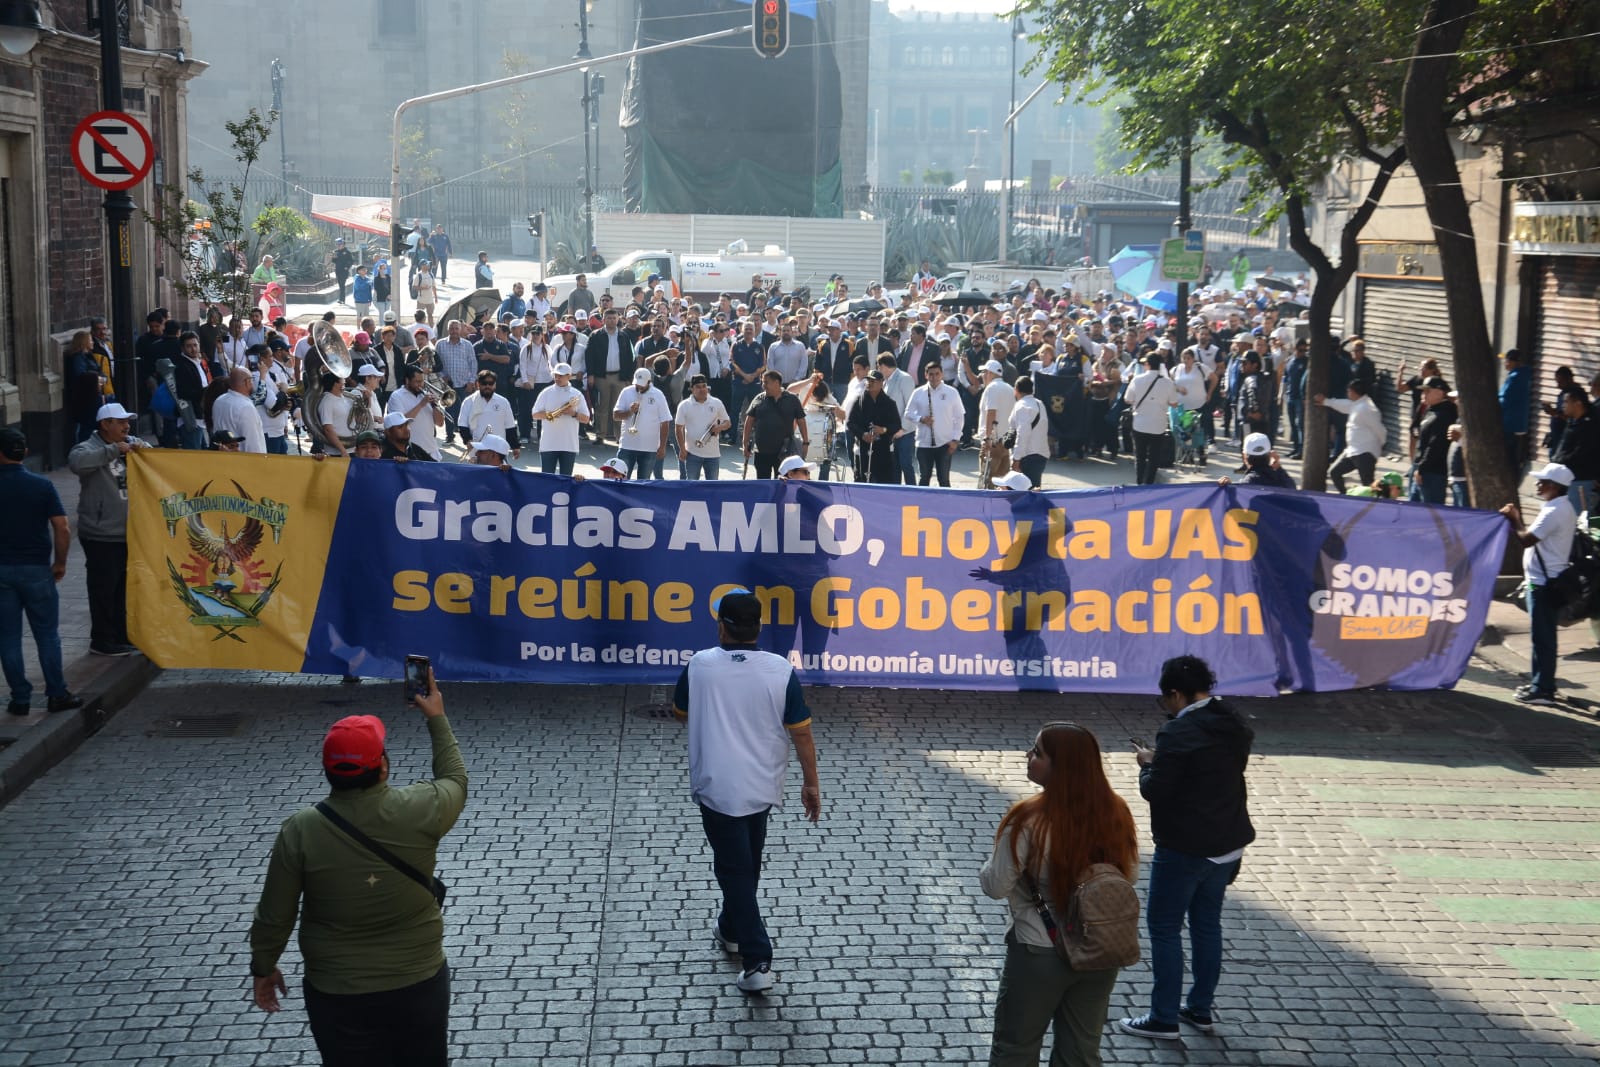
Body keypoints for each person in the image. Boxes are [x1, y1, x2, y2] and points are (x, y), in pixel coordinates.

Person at [248, 669, 467, 1066]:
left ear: (328, 769)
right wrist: (435, 716)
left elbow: (274, 914)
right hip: (417, 983)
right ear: (382, 766)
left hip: (337, 992)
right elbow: (454, 777)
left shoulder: (301, 830)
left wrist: (263, 966)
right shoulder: (421, 808)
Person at [671, 588, 820, 995]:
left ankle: (758, 959)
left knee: (734, 867)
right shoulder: (780, 670)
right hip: (762, 786)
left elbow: (680, 710)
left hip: (717, 786)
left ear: (721, 626)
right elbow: (802, 732)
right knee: (747, 861)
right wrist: (811, 783)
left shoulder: (700, 665)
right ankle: (731, 927)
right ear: (758, 628)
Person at [982, 722, 1138, 1066]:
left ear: (1061, 766)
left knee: (1016, 1046)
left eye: (1037, 752)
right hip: (1100, 948)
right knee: (1080, 1050)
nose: (1029, 756)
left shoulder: (1028, 819)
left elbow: (995, 886)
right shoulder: (1117, 812)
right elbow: (1128, 876)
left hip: (1040, 948)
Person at [1119, 655, 1254, 1041]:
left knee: (1163, 928)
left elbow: (1156, 791)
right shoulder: (1232, 721)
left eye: (1165, 700)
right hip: (1228, 843)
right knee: (1206, 925)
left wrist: (1147, 764)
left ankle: (1163, 1017)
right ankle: (1199, 1008)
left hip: (1186, 847)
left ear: (1175, 694)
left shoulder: (1178, 734)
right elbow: (1209, 773)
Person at [0, 428, 83, 717]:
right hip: (36, 569)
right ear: (23, 452)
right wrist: (60, 563)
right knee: (47, 635)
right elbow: (62, 527)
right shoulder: (41, 486)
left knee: (8, 638)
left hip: (2, 571)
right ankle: (56, 693)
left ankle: (20, 698)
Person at [67, 403, 149, 657]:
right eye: (120, 421)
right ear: (105, 425)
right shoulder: (88, 448)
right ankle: (102, 639)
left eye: (128, 421)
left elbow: (155, 456)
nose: (127, 426)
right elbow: (77, 463)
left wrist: (140, 450)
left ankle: (121, 635)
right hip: (101, 533)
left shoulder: (131, 443)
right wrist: (113, 451)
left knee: (123, 588)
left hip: (129, 531)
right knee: (103, 587)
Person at [1500, 463, 1579, 707]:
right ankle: (1540, 684)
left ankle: (1543, 690)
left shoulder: (1554, 511)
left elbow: (1526, 539)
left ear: (1554, 487)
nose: (1537, 485)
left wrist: (1515, 519)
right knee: (1542, 638)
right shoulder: (1559, 506)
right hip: (1546, 582)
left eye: (1542, 482)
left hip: (1544, 585)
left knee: (1542, 639)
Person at [1318, 379, 1384, 495]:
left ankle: (1375, 505)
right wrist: (1326, 401)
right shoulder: (1357, 404)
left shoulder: (1368, 408)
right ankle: (1346, 495)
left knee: (1368, 484)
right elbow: (1344, 405)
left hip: (1365, 452)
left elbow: (1380, 430)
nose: (1347, 393)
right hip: (1352, 451)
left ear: (1354, 392)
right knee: (1335, 472)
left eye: (1349, 391)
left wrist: (1378, 447)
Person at [904, 363, 965, 488]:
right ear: (926, 375)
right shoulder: (918, 392)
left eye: (937, 374)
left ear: (941, 374)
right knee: (924, 478)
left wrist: (955, 439)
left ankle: (945, 507)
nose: (934, 377)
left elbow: (959, 417)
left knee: (944, 480)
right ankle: (923, 506)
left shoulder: (952, 392)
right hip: (924, 443)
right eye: (931, 374)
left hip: (945, 443)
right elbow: (908, 413)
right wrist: (921, 419)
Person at [1126, 353, 1179, 486]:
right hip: (1158, 424)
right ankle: (1149, 482)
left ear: (1147, 365)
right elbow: (1174, 403)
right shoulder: (1168, 383)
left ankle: (1139, 482)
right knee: (1154, 456)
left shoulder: (1137, 380)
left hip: (1140, 423)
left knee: (1140, 456)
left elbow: (1128, 399)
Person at [530, 362, 591, 476]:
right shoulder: (546, 392)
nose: (557, 378)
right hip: (548, 444)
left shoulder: (577, 394)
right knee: (547, 479)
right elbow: (535, 414)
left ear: (569, 376)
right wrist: (550, 415)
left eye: (561, 376)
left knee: (565, 480)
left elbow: (586, 419)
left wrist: (573, 413)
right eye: (556, 375)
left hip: (569, 445)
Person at [614, 367, 672, 480]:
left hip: (649, 448)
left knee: (643, 483)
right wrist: (629, 411)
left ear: (649, 382)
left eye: (642, 384)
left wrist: (662, 446)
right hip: (627, 445)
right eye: (637, 384)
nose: (638, 387)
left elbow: (665, 421)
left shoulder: (658, 395)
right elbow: (616, 416)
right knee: (621, 480)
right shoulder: (626, 392)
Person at [847, 371, 903, 484]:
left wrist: (884, 430)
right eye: (868, 380)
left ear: (881, 383)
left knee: (884, 484)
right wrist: (862, 434)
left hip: (883, 450)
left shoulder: (889, 403)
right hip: (863, 448)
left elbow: (897, 425)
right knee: (862, 482)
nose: (869, 383)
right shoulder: (859, 401)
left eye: (873, 381)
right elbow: (850, 423)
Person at [676, 374, 731, 480]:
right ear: (691, 389)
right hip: (692, 453)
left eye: (704, 386)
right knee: (692, 487)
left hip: (713, 454)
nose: (702, 389)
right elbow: (679, 428)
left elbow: (727, 422)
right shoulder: (684, 405)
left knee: (712, 488)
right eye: (698, 387)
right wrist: (682, 449)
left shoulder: (716, 402)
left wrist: (719, 428)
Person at [1411, 376, 1456, 505]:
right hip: (1420, 470)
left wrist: (1422, 468)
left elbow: (1435, 445)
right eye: (1423, 390)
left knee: (1430, 515)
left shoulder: (1445, 414)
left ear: (1440, 392)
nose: (1423, 394)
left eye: (1427, 391)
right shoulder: (1431, 410)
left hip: (1432, 473)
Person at [210, 368, 268, 454]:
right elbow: (252, 443)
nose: (252, 383)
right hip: (243, 462)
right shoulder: (246, 407)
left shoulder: (219, 400)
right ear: (247, 382)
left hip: (223, 458)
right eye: (252, 380)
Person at [1009, 376, 1050, 489]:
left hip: (1027, 455)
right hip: (1041, 453)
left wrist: (1016, 459)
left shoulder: (1022, 406)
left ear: (1016, 390)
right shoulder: (1039, 404)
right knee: (1034, 489)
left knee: (1024, 492)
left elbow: (1023, 434)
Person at [1217, 433, 1296, 490]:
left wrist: (1229, 487)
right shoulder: (1281, 480)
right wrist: (1279, 468)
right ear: (1270, 454)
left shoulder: (1248, 483)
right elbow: (1293, 490)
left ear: (1244, 457)